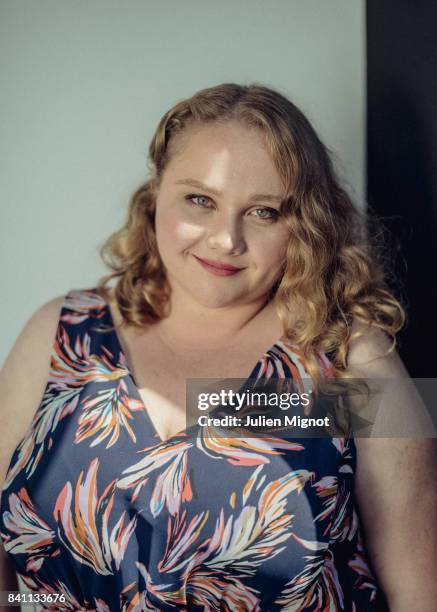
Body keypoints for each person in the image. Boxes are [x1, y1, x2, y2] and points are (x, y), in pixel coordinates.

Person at [1, 82, 436, 611]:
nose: (225, 239)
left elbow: (420, 589)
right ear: (156, 193)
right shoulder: (59, 333)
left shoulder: (351, 362)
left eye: (264, 212)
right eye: (200, 200)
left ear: (307, 225)